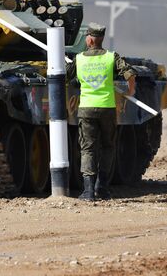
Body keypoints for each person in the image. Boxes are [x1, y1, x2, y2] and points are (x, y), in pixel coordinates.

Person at [66, 22, 137, 201]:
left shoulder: (79, 58)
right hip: (107, 108)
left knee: (88, 148)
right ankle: (102, 188)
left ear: (89, 40)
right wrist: (130, 91)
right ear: (101, 39)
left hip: (87, 109)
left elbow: (65, 76)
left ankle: (88, 192)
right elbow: (130, 72)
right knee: (107, 147)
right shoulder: (111, 57)